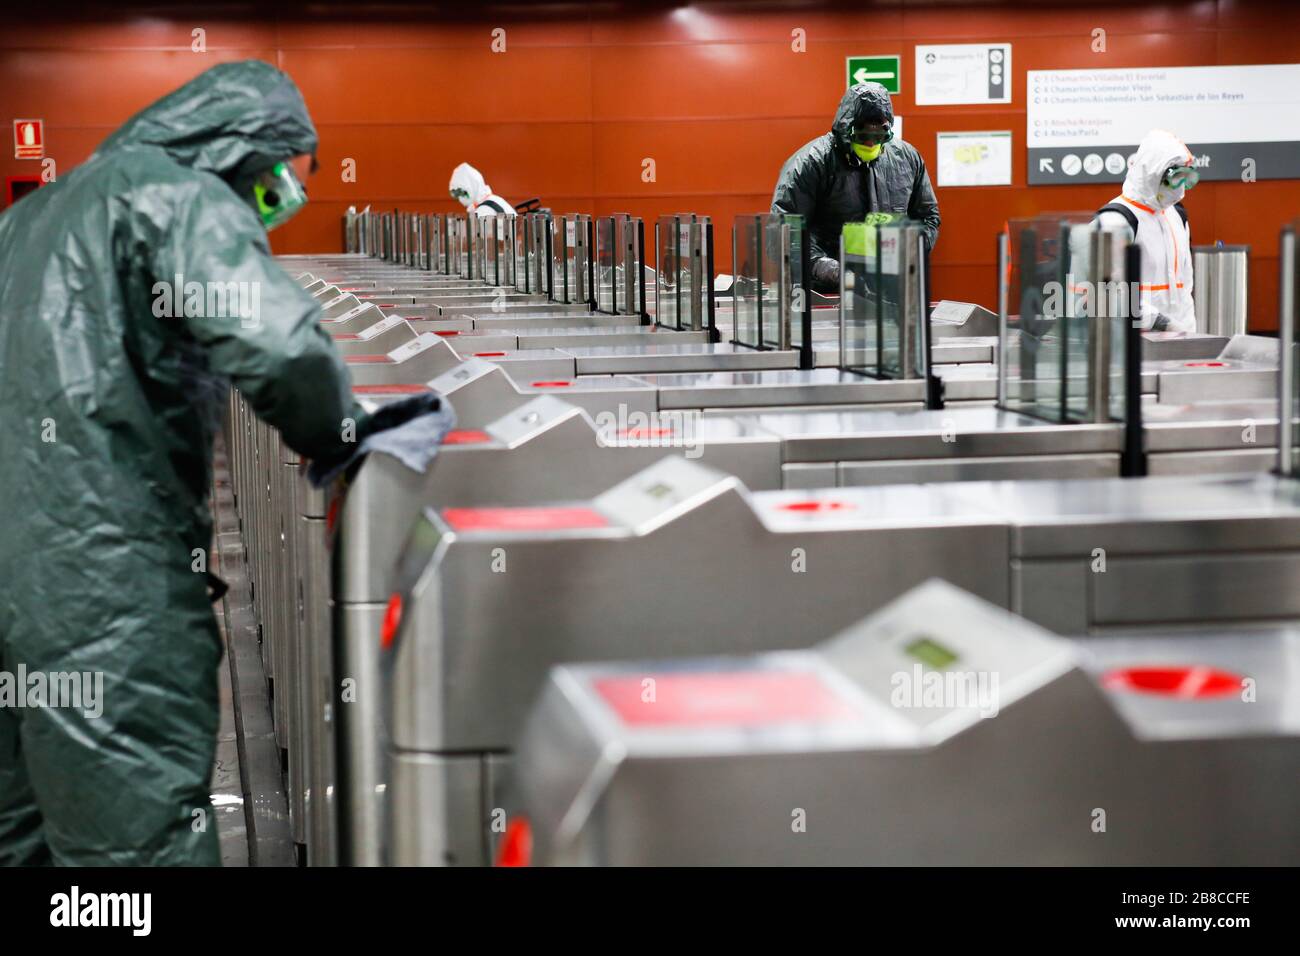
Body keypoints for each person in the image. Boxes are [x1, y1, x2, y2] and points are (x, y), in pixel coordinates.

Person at [0, 60, 432, 865]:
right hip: (100, 590)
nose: (276, 208)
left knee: (22, 834)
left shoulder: (36, 216)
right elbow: (277, 346)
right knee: (134, 846)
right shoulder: (173, 194)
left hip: (17, 585)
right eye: (278, 190)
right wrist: (348, 437)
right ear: (250, 155)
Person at [771, 82, 940, 293]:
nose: (870, 144)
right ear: (846, 127)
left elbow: (927, 217)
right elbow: (782, 231)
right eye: (863, 135)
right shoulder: (812, 162)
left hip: (890, 290)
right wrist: (825, 268)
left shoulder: (906, 158)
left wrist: (910, 249)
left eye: (878, 136)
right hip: (826, 293)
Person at [1094, 129, 1198, 332]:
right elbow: (1104, 295)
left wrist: (1188, 336)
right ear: (1152, 173)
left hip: (1176, 345)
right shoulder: (1115, 220)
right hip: (1128, 344)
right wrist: (1161, 323)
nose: (1180, 188)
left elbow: (1185, 287)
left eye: (1187, 178)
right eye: (1175, 178)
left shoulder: (1177, 216)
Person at [449, 162, 515, 217]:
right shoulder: (495, 200)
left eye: (463, 193)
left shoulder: (484, 211)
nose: (461, 199)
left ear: (474, 186)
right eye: (457, 195)